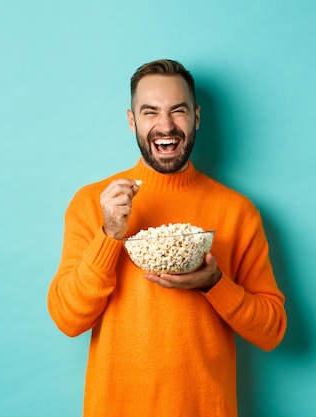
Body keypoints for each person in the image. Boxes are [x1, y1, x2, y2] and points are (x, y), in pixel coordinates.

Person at [48, 59, 287, 417]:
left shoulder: (236, 211)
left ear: (197, 117)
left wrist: (214, 284)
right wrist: (110, 236)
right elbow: (68, 320)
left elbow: (272, 330)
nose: (166, 125)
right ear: (132, 121)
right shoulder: (94, 204)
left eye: (179, 110)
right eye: (150, 112)